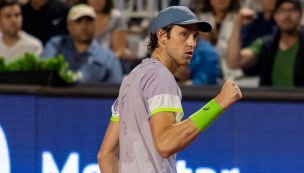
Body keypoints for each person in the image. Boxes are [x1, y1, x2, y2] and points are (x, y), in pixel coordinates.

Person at [97, 6, 242, 173]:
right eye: (184, 35)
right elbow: (165, 144)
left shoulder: (132, 78)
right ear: (162, 36)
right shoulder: (161, 76)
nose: (192, 43)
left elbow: (106, 155)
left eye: (195, 36)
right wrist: (218, 103)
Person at [226, 0, 304, 87]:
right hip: (270, 99)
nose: (287, 15)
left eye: (292, 10)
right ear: (275, 16)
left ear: (301, 14)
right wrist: (238, 24)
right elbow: (234, 63)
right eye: (282, 10)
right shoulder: (266, 44)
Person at [41, 4, 123, 84]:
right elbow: (41, 73)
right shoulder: (56, 45)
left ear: (95, 25)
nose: (84, 26)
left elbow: (117, 91)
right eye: (78, 21)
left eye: (89, 21)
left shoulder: (108, 58)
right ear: (69, 26)